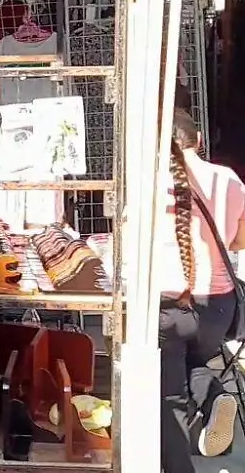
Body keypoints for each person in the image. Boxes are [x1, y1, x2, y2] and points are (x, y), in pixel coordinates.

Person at [159, 110, 244, 472]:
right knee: (198, 362)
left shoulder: (153, 181)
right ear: (200, 142)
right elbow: (240, 241)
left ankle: (180, 468)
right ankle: (216, 397)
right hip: (218, 308)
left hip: (169, 304)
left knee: (170, 397)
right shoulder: (229, 179)